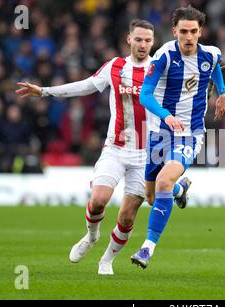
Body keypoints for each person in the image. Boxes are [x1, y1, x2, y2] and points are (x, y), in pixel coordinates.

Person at [15, 19, 190, 276]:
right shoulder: (115, 66)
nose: (143, 44)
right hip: (116, 149)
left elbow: (186, 89)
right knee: (98, 201)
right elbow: (84, 86)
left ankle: (107, 260)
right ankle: (90, 237)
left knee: (127, 217)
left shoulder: (159, 69)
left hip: (146, 155)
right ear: (129, 39)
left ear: (153, 43)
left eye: (148, 40)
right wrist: (43, 91)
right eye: (138, 39)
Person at [131, 6, 225, 269]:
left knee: (163, 180)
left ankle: (146, 249)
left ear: (200, 32)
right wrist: (166, 115)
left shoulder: (210, 54)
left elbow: (216, 67)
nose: (188, 37)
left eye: (193, 32)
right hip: (159, 133)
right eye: (183, 31)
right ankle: (179, 189)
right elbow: (145, 95)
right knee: (152, 197)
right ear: (175, 32)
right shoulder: (163, 56)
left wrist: (223, 92)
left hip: (190, 134)